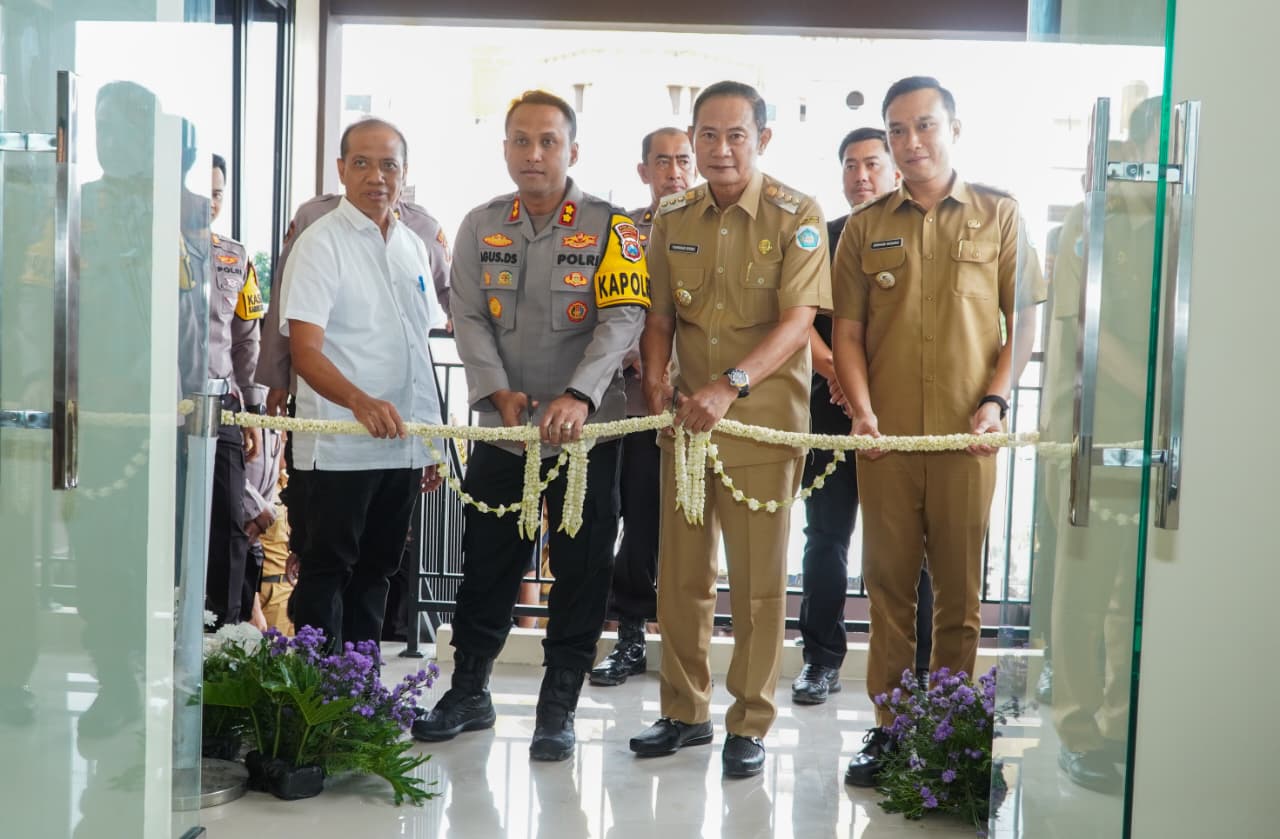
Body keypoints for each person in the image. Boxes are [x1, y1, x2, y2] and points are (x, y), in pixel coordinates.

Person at [412, 91, 648, 762]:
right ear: (507, 149)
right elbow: (469, 316)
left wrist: (579, 394)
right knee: (486, 562)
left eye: (549, 141)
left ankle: (558, 705)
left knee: (580, 565)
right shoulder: (480, 225)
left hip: (587, 431)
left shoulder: (615, 225)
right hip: (506, 427)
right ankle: (469, 688)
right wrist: (497, 392)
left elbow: (623, 315)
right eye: (522, 140)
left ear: (574, 151)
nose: (535, 153)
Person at [832, 76, 1040, 787]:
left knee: (959, 590)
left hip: (966, 436)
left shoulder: (999, 214)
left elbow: (1023, 323)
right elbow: (850, 334)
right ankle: (890, 730)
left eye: (924, 126)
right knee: (888, 585)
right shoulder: (864, 226)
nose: (911, 142)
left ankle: (953, 734)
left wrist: (995, 401)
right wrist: (861, 412)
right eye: (897, 130)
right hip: (885, 437)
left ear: (954, 128)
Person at [630, 80, 830, 778]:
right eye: (706, 137)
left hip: (762, 425)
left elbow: (798, 322)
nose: (719, 150)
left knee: (756, 583)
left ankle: (750, 719)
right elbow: (659, 318)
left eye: (735, 135)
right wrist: (659, 378)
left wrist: (729, 386)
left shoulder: (796, 214)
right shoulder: (672, 215)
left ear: (762, 139)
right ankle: (684, 711)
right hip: (685, 422)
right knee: (681, 577)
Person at [278, 117, 446, 652]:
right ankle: (316, 702)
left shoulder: (413, 246)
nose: (377, 176)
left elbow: (418, 350)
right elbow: (304, 352)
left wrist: (430, 442)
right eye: (363, 163)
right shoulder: (320, 243)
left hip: (399, 447)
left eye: (389, 164)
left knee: (379, 573)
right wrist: (357, 401)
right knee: (328, 573)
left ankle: (360, 701)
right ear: (341, 171)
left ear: (404, 173)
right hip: (339, 449)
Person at [1044, 100, 1160, 794]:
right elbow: (1095, 331)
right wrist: (1164, 393)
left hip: (1157, 436)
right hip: (1090, 431)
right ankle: (1078, 728)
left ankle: (1122, 723)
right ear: (1134, 143)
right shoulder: (1090, 222)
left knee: (1132, 591)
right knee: (1084, 590)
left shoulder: (1179, 225)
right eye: (1156, 144)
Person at [792, 127, 903, 705]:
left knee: (903, 545)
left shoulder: (914, 232)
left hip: (901, 414)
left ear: (895, 170)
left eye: (872, 164)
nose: (861, 176)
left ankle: (907, 670)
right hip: (830, 410)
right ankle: (820, 659)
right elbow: (796, 315)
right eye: (851, 165)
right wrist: (836, 375)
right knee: (826, 537)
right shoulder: (824, 237)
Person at [590, 127, 695, 687]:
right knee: (622, 511)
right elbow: (614, 303)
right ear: (643, 170)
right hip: (627, 402)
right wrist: (635, 356)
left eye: (683, 161)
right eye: (663, 162)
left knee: (668, 522)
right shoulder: (624, 230)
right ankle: (628, 633)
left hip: (693, 403)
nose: (674, 171)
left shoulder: (708, 224)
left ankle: (676, 636)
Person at [205, 152, 266, 626]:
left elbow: (247, 340)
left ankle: (222, 635)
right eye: (203, 191)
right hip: (153, 405)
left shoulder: (236, 256)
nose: (210, 201)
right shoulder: (145, 248)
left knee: (228, 523)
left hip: (221, 402)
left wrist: (252, 414)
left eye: (218, 193)